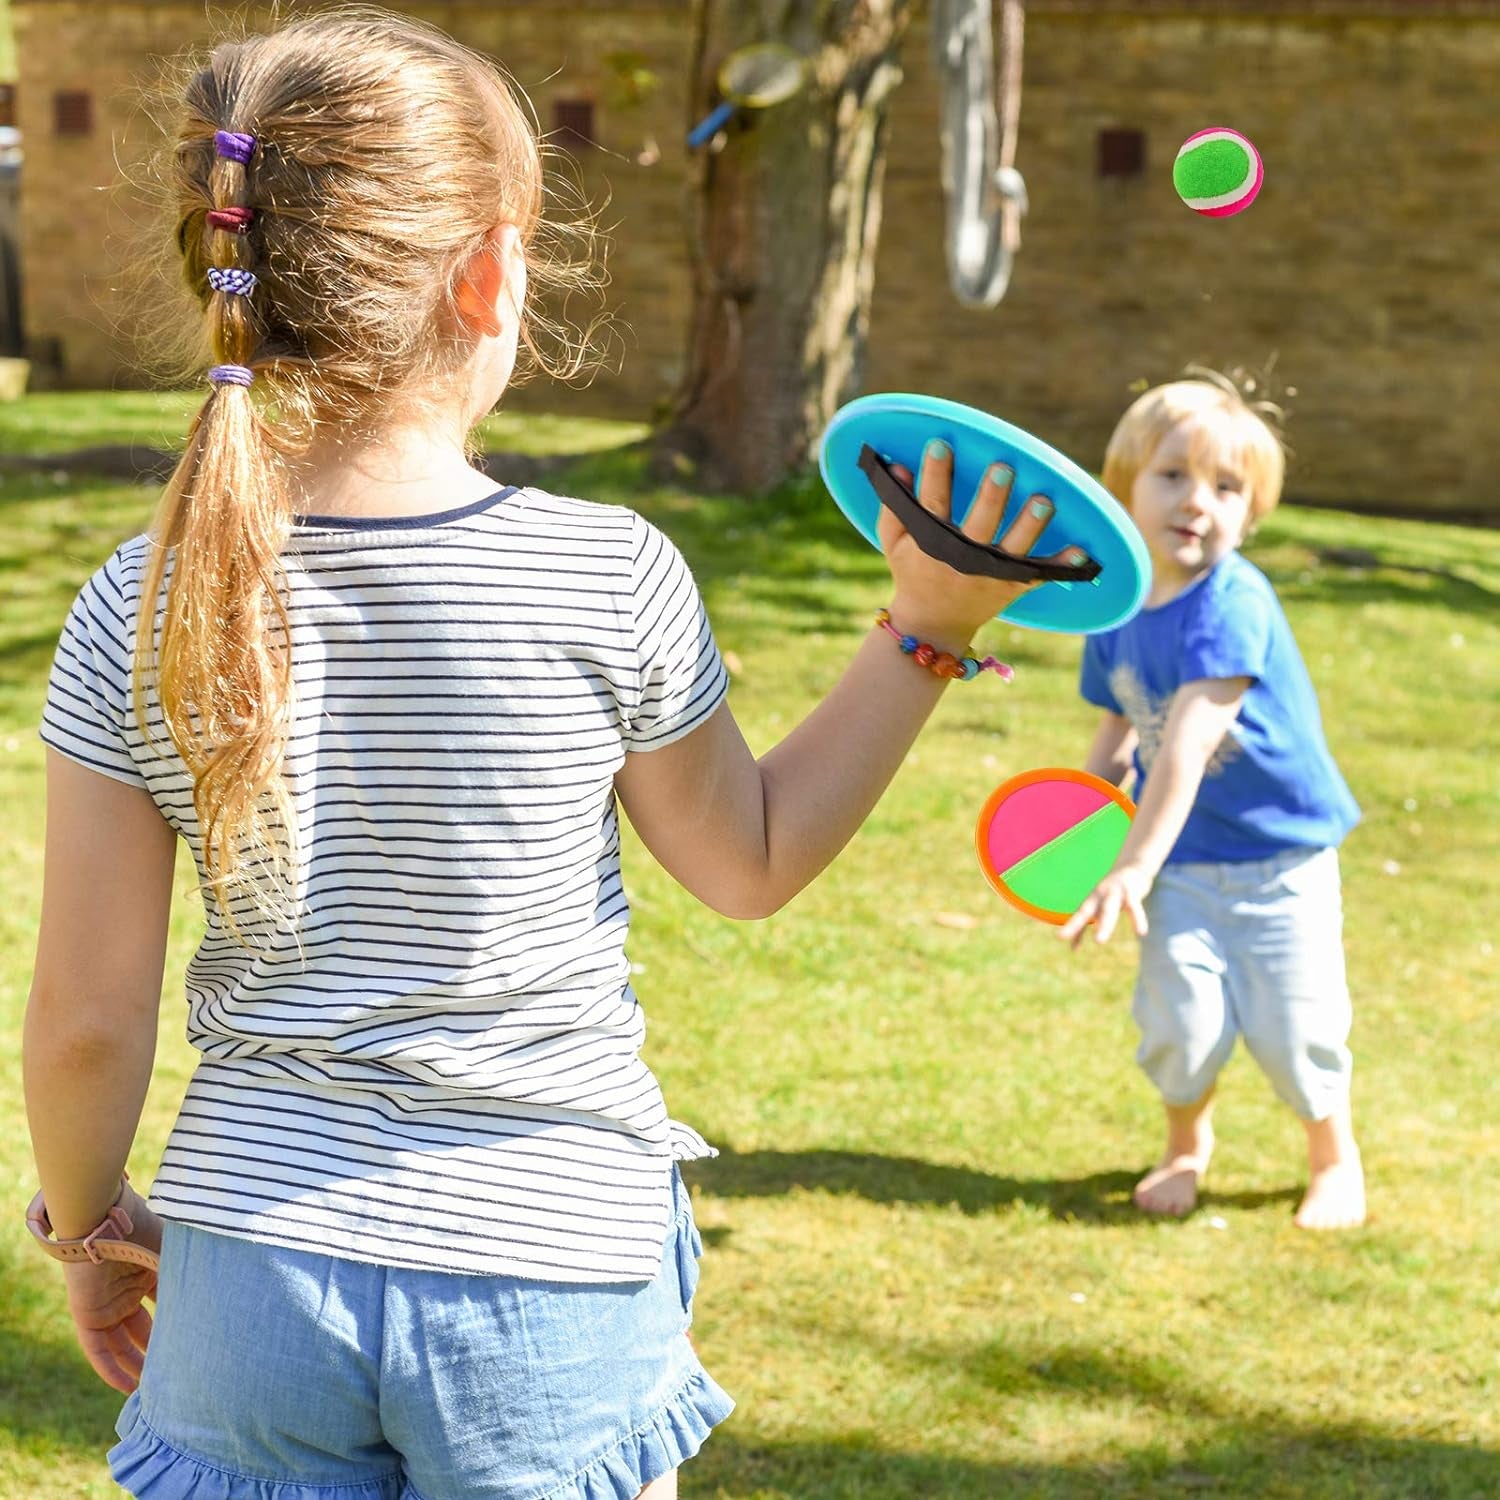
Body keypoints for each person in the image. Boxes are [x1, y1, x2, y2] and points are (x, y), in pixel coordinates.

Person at [22, 9, 1082, 1498]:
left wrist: (86, 1230)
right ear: (488, 275)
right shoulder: (606, 574)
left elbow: (84, 1021)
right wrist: (928, 627)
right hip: (552, 1276)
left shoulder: (141, 601)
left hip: (250, 1272)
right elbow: (751, 862)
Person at [1060, 372, 1365, 1232]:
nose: (1198, 501)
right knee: (1179, 1023)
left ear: (1251, 512)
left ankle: (1333, 1159)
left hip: (1280, 858)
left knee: (1296, 1028)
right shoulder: (1113, 605)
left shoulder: (1233, 602)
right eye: (1173, 476)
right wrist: (1078, 838)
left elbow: (1186, 746)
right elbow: (1121, 726)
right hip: (1183, 861)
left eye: (1226, 487)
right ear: (1125, 486)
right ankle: (1185, 1146)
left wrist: (1131, 867)